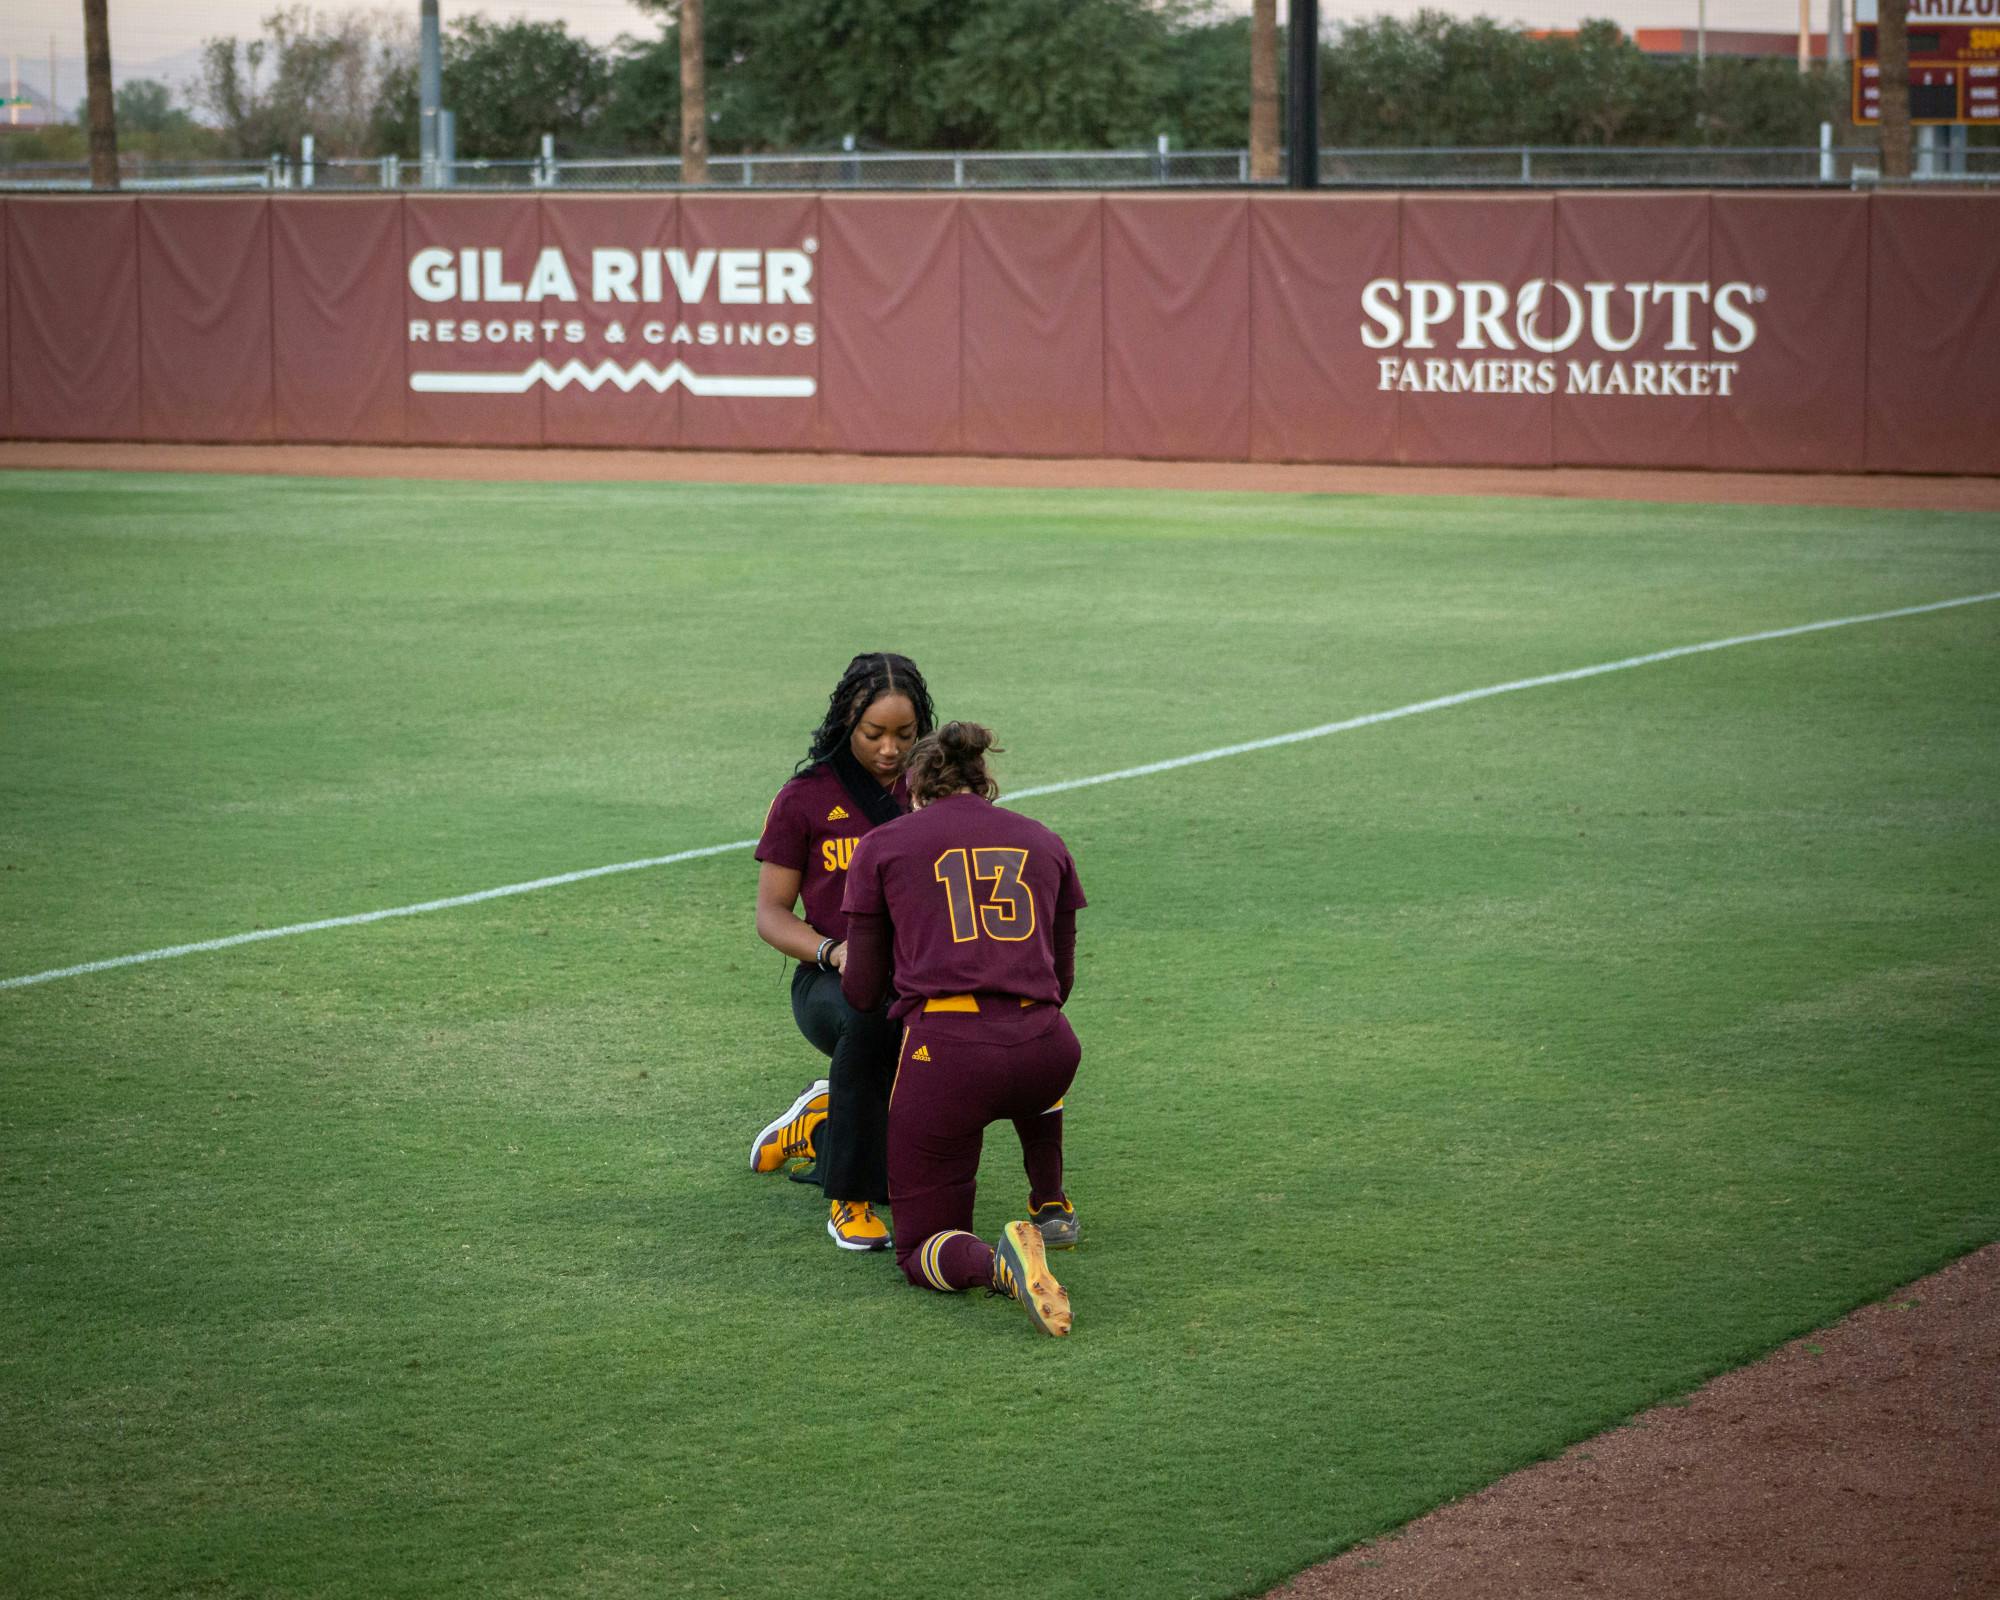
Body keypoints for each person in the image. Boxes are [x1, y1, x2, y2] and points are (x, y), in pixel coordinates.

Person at [840, 722, 1086, 1337]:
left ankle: (999, 1265)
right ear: (986, 783)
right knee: (1029, 1040)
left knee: (921, 1245)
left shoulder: (886, 844)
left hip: (951, 1059)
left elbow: (863, 991)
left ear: (915, 788)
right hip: (1047, 1052)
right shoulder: (1044, 841)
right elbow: (1060, 980)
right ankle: (1050, 1202)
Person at [752, 652, 935, 1251]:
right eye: (873, 734)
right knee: (867, 1021)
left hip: (921, 973)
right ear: (844, 724)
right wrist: (833, 952)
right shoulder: (805, 797)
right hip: (829, 978)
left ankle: (822, 1119)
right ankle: (847, 1201)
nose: (890, 750)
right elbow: (771, 915)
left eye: (905, 735)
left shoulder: (932, 791)